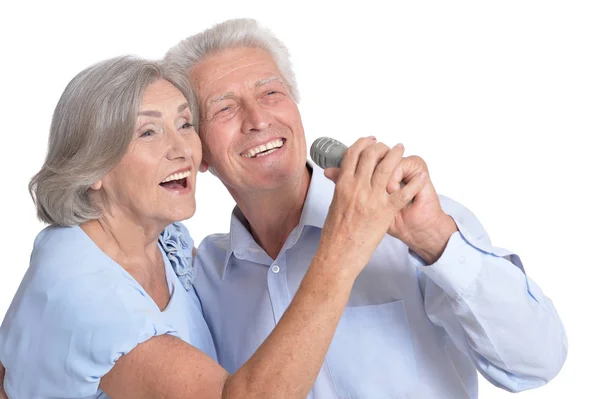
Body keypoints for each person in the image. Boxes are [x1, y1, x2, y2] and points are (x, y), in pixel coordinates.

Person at [163, 18, 568, 398]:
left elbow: (538, 362)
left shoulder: (414, 223)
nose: (257, 119)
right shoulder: (202, 280)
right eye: (225, 108)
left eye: (271, 93)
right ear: (197, 152)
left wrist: (436, 241)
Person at [0, 56, 414, 398]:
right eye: (148, 132)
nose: (181, 148)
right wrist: (343, 248)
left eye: (184, 124)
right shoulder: (82, 289)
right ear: (94, 167)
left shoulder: (164, 243)